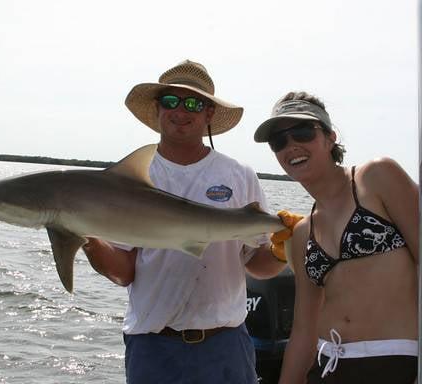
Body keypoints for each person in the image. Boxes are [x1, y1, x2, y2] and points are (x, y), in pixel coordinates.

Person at [82, 60, 291, 384]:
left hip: (226, 344)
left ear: (208, 113)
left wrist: (281, 250)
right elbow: (124, 273)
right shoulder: (132, 179)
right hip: (153, 346)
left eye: (193, 102)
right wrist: (86, 237)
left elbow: (256, 264)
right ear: (157, 109)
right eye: (171, 101)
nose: (181, 110)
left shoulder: (239, 175)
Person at [254, 91, 419, 384]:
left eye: (303, 132)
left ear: (330, 137)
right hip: (328, 366)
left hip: (395, 363)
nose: (291, 145)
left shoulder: (378, 177)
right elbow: (303, 330)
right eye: (279, 141)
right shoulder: (303, 232)